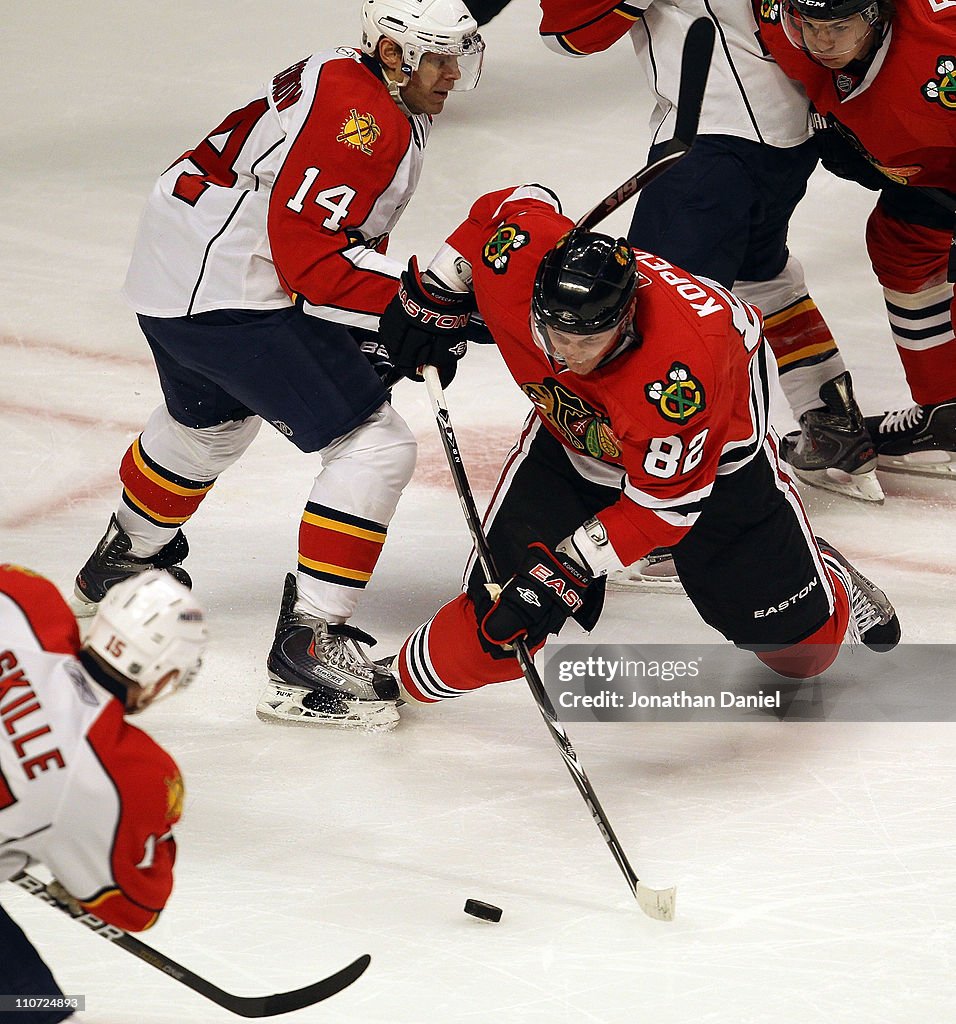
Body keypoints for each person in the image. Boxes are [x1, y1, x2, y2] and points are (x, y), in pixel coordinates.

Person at [70, 0, 485, 732]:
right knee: (375, 443)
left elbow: (313, 242)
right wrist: (428, 304)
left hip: (173, 280)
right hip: (229, 299)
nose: (453, 73)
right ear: (391, 52)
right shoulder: (364, 124)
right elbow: (315, 267)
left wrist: (404, 311)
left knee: (210, 425)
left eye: (460, 53)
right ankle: (308, 645)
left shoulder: (349, 75)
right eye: (437, 56)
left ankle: (123, 561)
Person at [376, 184, 900, 709]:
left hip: (713, 458)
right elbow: (507, 205)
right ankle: (383, 687)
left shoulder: (677, 384)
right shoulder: (519, 257)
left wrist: (570, 566)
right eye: (553, 332)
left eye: (586, 341)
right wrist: (435, 292)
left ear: (625, 321)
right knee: (500, 614)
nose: (564, 353)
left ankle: (823, 573)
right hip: (579, 440)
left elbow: (664, 509)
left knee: (801, 655)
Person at [537, 1, 883, 504]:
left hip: (710, 143)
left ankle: (657, 497)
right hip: (792, 131)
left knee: (654, 313)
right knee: (761, 275)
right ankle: (833, 425)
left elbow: (568, 33)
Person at [756, 0, 956, 476]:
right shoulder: (778, 16)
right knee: (901, 243)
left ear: (878, 15)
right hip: (927, 167)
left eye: (838, 27)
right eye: (811, 25)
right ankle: (946, 410)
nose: (821, 41)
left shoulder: (939, 58)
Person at [0, 565, 206, 1024]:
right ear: (159, 679)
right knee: (34, 1010)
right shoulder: (123, 773)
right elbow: (135, 906)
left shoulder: (21, 598)